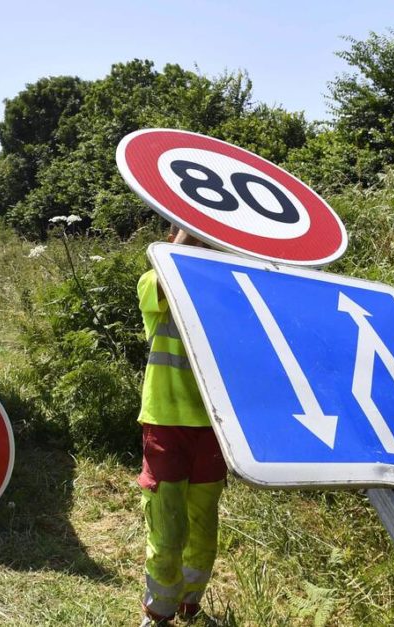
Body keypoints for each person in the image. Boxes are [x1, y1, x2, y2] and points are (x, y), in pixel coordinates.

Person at [137, 225, 227, 626]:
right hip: (167, 423)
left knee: (204, 529)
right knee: (168, 530)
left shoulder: (224, 287)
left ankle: (191, 604)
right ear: (172, 234)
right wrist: (194, 224)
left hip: (215, 427)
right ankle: (158, 613)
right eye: (187, 232)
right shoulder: (154, 281)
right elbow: (169, 267)